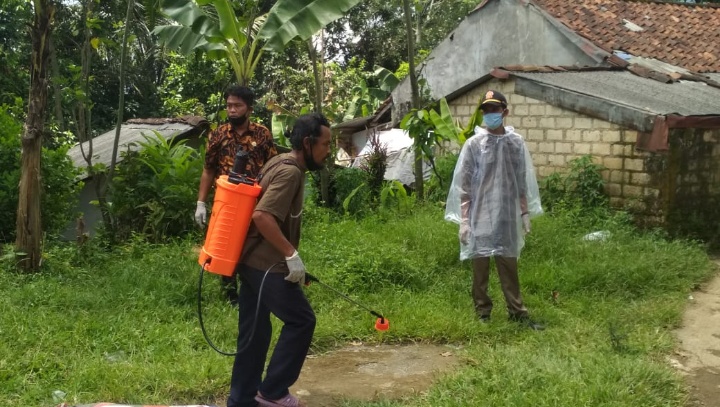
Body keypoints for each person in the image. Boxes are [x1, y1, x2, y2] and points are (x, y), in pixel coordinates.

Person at [227, 113, 332, 407]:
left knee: (255, 333)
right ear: (309, 143)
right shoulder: (291, 172)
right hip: (266, 264)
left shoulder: (277, 161)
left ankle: (241, 399)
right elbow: (262, 216)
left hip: (248, 261)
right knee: (302, 321)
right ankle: (272, 392)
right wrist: (290, 253)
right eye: (325, 144)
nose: (328, 150)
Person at [444, 90, 545, 330]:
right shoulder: (474, 145)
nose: (490, 114)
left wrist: (524, 213)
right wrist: (465, 220)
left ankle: (517, 312)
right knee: (480, 266)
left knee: (509, 265)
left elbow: (521, 181)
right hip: (481, 214)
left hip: (507, 214)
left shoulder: (515, 143)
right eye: (486, 110)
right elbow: (465, 186)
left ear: (505, 112)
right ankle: (482, 313)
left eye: (495, 110)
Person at [195, 85, 277, 304]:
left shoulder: (262, 134)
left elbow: (272, 167)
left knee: (253, 245)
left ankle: (254, 288)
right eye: (229, 105)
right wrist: (200, 203)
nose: (232, 110)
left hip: (255, 201)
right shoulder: (219, 134)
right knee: (225, 243)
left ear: (249, 109)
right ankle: (231, 295)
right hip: (227, 202)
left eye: (237, 106)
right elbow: (208, 168)